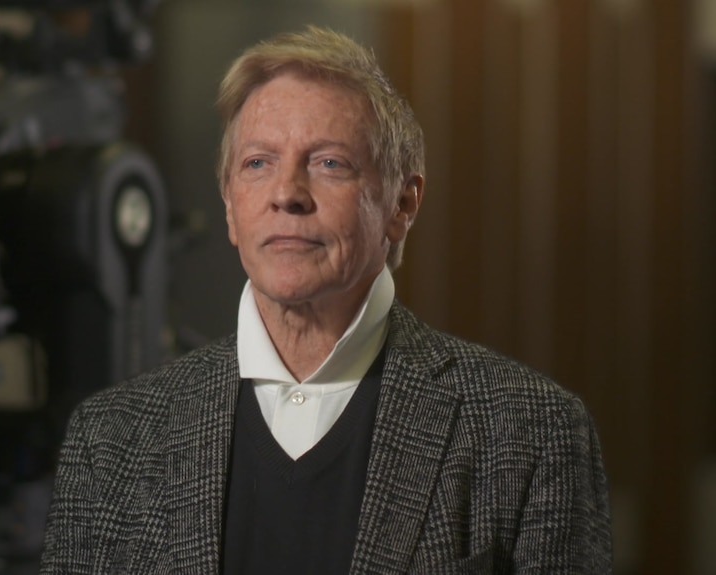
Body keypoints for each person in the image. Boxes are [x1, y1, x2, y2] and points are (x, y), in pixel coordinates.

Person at [39, 26, 612, 574]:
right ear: (230, 205)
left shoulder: (530, 432)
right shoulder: (111, 439)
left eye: (328, 163)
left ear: (402, 204)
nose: (286, 194)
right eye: (258, 163)